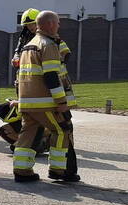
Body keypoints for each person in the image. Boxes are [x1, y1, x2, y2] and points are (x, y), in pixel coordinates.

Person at [13, 10, 79, 183]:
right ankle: (59, 170)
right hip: (46, 102)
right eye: (57, 22)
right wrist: (61, 102)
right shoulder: (48, 45)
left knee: (29, 133)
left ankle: (22, 170)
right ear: (49, 24)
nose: (59, 25)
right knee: (62, 129)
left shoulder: (29, 44)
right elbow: (51, 77)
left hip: (28, 102)